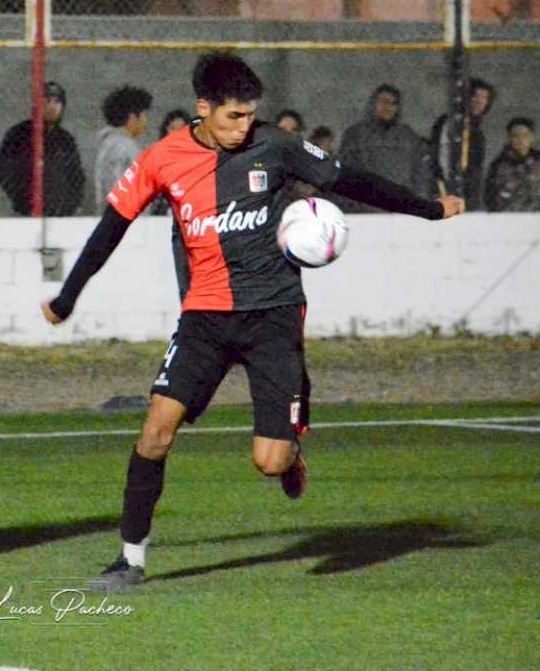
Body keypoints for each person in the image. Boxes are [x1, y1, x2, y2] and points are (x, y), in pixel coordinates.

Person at [41, 52, 464, 590]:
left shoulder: (277, 146)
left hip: (273, 316)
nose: (245, 128)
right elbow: (110, 228)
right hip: (204, 318)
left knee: (269, 461)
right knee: (154, 432)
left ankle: (291, 447)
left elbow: (350, 180)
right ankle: (130, 560)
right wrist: (69, 296)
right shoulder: (160, 159)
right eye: (232, 118)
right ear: (203, 109)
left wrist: (427, 208)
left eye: (249, 117)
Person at [338, 84, 433, 213]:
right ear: (373, 104)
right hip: (368, 213)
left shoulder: (409, 137)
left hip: (403, 212)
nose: (387, 107)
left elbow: (422, 175)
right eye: (383, 101)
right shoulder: (355, 136)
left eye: (393, 103)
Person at [0, 81, 85, 216]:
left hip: (61, 216)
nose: (52, 106)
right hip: (26, 215)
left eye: (57, 102)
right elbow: (3, 171)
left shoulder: (65, 140)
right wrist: (23, 201)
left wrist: (72, 205)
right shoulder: (18, 135)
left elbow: (76, 176)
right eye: (47, 100)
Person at [430, 77, 496, 211]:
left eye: (484, 98)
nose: (479, 101)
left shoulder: (477, 133)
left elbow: (475, 173)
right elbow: (441, 162)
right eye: (476, 96)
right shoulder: (449, 123)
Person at [94, 85, 152, 209]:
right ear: (132, 117)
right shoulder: (121, 145)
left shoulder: (112, 142)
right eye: (144, 115)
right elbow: (115, 186)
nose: (146, 121)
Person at [484, 117, 540, 212]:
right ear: (509, 138)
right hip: (507, 219)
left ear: (531, 137)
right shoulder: (498, 166)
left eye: (525, 135)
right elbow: (489, 198)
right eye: (515, 136)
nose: (520, 140)